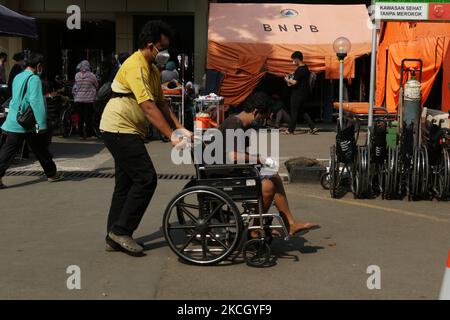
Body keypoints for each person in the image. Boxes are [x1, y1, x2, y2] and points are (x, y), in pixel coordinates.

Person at [100, 20, 191, 257]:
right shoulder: (135, 65)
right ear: (151, 46)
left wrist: (181, 128)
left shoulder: (151, 69)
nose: (165, 53)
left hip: (128, 130)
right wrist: (170, 136)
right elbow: (148, 107)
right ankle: (122, 230)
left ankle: (113, 235)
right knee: (146, 178)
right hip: (118, 128)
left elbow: (161, 103)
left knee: (125, 183)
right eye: (163, 47)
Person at [218, 92, 319, 237]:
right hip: (224, 175)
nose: (262, 121)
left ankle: (290, 224)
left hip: (232, 171)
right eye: (263, 117)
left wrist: (260, 161)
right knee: (268, 186)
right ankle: (255, 228)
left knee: (274, 176)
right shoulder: (235, 124)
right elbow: (233, 156)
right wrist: (260, 159)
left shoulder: (240, 124)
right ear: (256, 112)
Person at [0, 53, 63, 189]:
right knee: (41, 149)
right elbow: (36, 101)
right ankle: (52, 174)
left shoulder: (18, 76)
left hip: (14, 120)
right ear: (38, 66)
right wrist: (41, 124)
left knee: (8, 151)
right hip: (27, 122)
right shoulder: (34, 79)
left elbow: (15, 98)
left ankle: (52, 173)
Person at [284, 51, 318, 135]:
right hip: (304, 93)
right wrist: (294, 74)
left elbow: (295, 82)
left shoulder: (299, 70)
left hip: (297, 94)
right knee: (301, 111)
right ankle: (313, 127)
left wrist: (287, 80)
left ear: (297, 59)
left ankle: (290, 130)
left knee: (294, 111)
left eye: (293, 60)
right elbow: (301, 78)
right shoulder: (306, 68)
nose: (293, 62)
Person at [73, 60, 99, 140]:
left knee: (80, 117)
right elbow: (96, 85)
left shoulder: (77, 75)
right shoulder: (92, 76)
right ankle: (88, 135)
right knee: (88, 117)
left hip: (79, 99)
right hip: (89, 100)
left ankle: (80, 135)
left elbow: (76, 85)